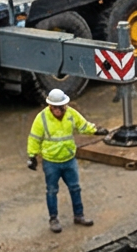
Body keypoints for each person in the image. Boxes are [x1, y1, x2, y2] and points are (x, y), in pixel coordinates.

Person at [26, 88, 99, 232]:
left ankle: (79, 215)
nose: (59, 110)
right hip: (51, 162)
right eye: (56, 108)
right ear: (50, 106)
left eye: (61, 107)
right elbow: (34, 138)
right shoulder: (42, 119)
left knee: (75, 188)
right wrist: (32, 156)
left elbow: (82, 125)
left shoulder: (71, 114)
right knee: (52, 190)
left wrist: (96, 130)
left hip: (69, 159)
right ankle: (53, 219)